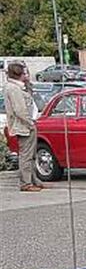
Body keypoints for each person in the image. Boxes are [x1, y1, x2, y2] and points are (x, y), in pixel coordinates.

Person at [4, 62, 43, 191]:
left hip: (28, 123)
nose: (27, 75)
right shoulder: (13, 88)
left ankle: (33, 179)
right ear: (19, 74)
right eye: (25, 73)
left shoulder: (21, 87)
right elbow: (19, 110)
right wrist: (30, 123)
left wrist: (27, 82)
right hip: (24, 126)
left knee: (31, 154)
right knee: (26, 155)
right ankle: (26, 183)